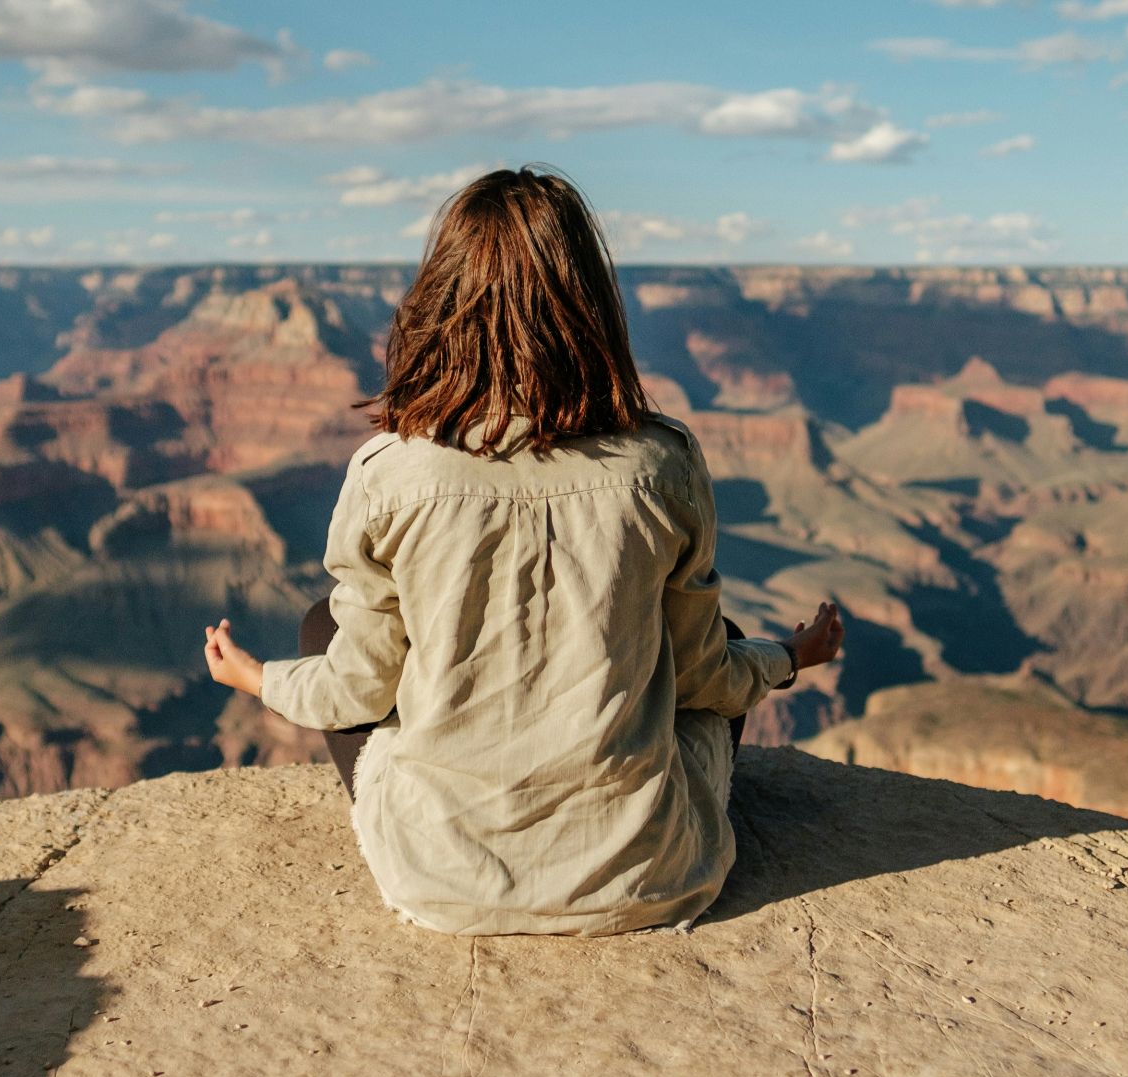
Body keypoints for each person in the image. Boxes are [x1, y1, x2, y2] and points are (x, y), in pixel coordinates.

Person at [202, 164, 844, 936]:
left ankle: (455, 841)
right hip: (647, 880)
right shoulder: (661, 463)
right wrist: (789, 656)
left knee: (322, 631)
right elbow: (706, 678)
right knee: (725, 641)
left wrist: (256, 678)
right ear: (591, 304)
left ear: (439, 303)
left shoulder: (388, 471)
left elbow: (358, 693)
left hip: (439, 884)